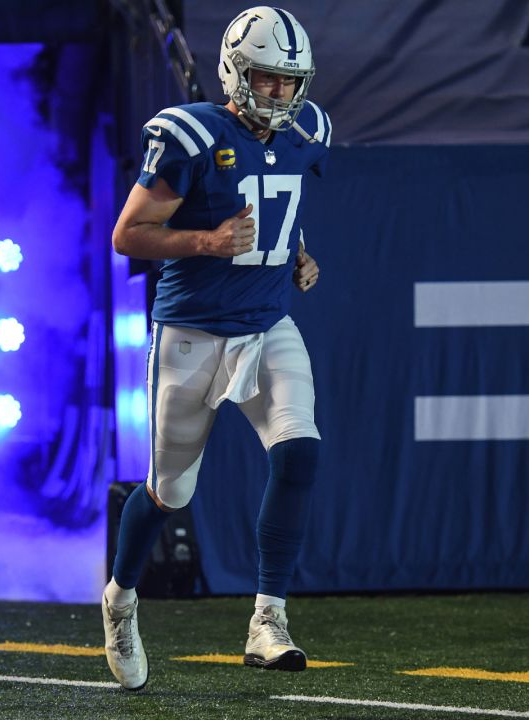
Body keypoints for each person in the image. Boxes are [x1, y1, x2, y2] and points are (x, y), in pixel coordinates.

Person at [100, 6, 333, 691]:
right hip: (193, 332)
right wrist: (204, 242)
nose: (283, 96)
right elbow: (129, 235)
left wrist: (294, 254)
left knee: (299, 451)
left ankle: (268, 618)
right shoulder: (191, 135)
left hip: (267, 325)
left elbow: (274, 205)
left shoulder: (309, 132)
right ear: (237, 72)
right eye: (269, 79)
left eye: (292, 82)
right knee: (169, 492)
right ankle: (120, 597)